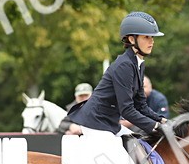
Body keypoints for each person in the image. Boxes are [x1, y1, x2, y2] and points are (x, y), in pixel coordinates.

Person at [65, 11, 167, 139]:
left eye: (152, 37)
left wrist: (162, 120)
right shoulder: (124, 65)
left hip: (109, 122)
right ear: (132, 39)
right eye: (146, 37)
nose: (152, 41)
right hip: (96, 123)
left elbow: (141, 105)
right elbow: (127, 110)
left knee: (138, 145)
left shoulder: (138, 64)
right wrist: (155, 127)